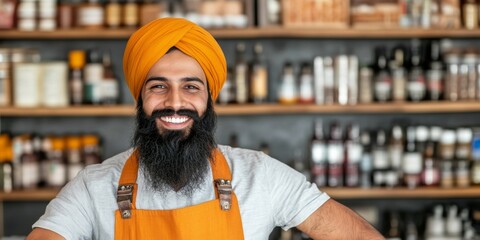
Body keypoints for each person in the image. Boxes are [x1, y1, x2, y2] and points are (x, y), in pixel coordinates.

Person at [27, 18, 383, 240]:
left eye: (191, 87)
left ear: (209, 99)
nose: (175, 102)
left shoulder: (259, 176)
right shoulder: (95, 187)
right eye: (158, 86)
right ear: (140, 97)